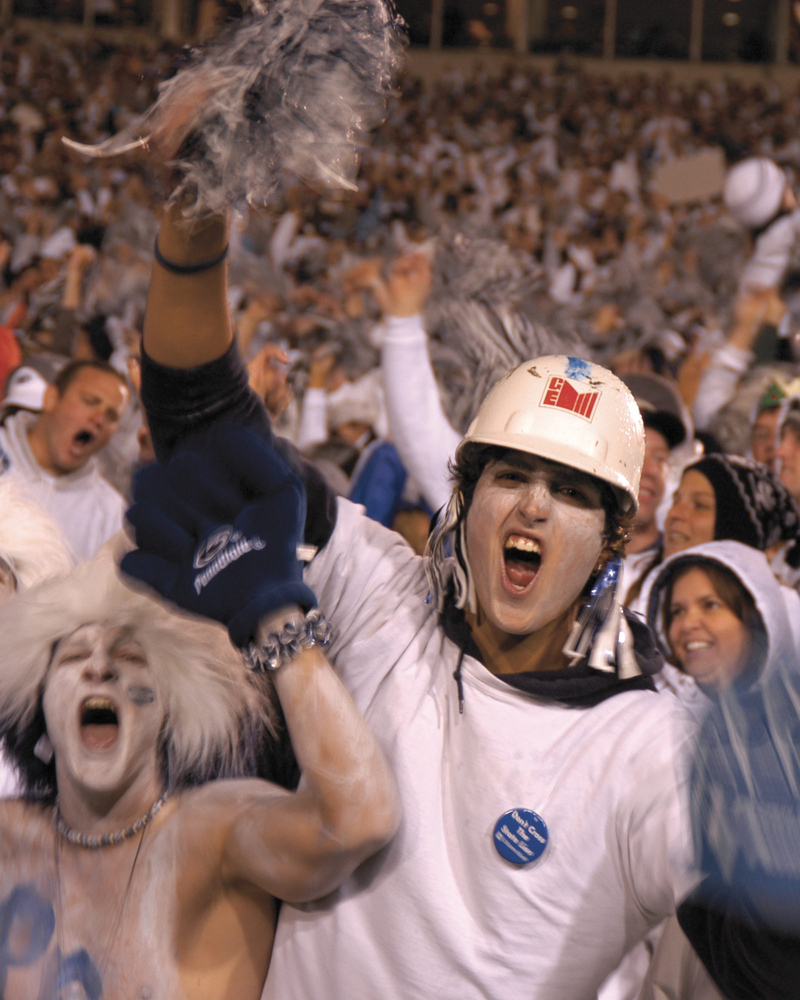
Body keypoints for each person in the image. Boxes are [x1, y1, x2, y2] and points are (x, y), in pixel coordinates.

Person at [0, 489, 399, 1000]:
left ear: (170, 712)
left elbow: (360, 818)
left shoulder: (215, 831)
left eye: (129, 656)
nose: (99, 668)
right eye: (74, 657)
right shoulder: (11, 835)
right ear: (39, 717)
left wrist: (274, 614)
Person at [640, 540, 799, 999]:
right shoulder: (677, 725)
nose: (688, 623)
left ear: (756, 615)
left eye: (711, 605)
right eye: (676, 610)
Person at [0, 358, 130, 562]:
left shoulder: (111, 514)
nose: (99, 420)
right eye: (90, 401)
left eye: (112, 416)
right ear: (51, 398)